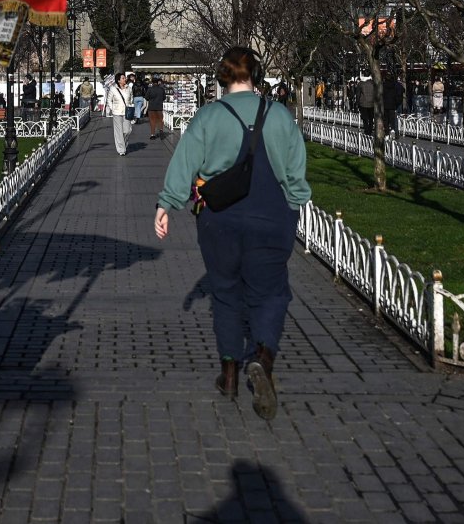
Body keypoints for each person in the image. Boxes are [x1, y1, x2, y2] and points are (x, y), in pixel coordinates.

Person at [154, 47, 310, 421]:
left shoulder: (208, 116)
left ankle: (228, 374)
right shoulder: (279, 115)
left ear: (222, 77)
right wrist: (294, 206)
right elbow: (295, 173)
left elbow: (185, 163)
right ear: (256, 75)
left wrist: (166, 205)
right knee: (270, 292)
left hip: (219, 220)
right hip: (271, 218)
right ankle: (262, 358)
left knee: (225, 294)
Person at [105, 72, 133, 155]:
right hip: (117, 112)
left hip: (126, 112)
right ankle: (121, 150)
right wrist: (112, 108)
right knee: (119, 132)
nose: (125, 79)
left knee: (127, 130)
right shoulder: (113, 89)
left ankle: (123, 144)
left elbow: (131, 98)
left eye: (125, 78)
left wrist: (130, 106)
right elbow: (109, 100)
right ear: (118, 80)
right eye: (123, 78)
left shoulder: (129, 88)